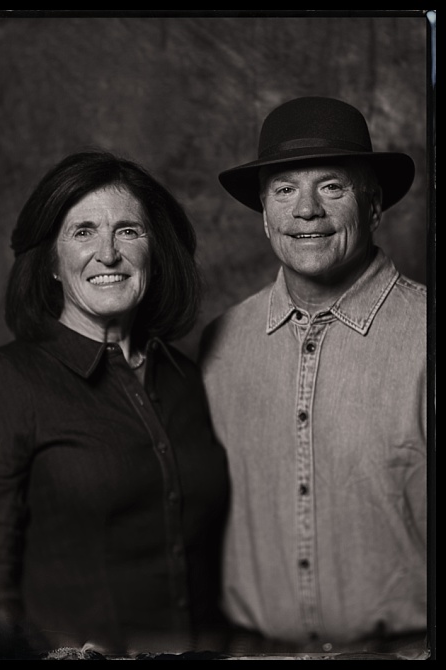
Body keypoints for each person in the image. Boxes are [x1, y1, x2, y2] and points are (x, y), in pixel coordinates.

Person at [0, 151, 230, 657]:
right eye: (83, 232)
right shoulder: (1, 380)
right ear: (50, 259)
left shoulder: (188, 377)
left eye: (128, 231)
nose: (108, 254)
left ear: (155, 252)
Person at [200, 96, 427, 655]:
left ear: (373, 206)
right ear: (264, 214)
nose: (306, 211)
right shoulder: (220, 346)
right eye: (283, 189)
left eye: (332, 186)